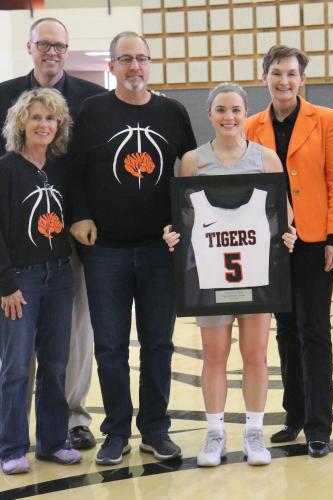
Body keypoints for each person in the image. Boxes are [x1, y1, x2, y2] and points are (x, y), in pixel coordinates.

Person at [69, 31, 196, 466]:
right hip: (105, 250)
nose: (135, 67)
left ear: (150, 63)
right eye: (126, 59)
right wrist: (79, 215)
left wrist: (189, 227)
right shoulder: (92, 112)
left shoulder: (173, 112)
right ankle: (116, 431)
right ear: (113, 65)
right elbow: (73, 170)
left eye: (141, 59)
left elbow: (192, 171)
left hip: (161, 251)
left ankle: (156, 430)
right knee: (109, 346)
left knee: (159, 344)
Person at [163, 82, 296, 467]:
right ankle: (215, 433)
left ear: (245, 113)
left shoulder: (266, 158)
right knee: (214, 355)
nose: (229, 117)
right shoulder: (193, 161)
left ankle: (254, 430)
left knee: (255, 355)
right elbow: (184, 218)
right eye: (221, 110)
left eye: (236, 110)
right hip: (211, 275)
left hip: (255, 273)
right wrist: (174, 236)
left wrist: (287, 236)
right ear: (210, 115)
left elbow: (282, 212)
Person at [0, 17, 105, 450]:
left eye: (59, 45)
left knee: (71, 340)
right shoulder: (3, 95)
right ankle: (13, 434)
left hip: (68, 243)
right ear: (30, 48)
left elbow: (94, 170)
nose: (52, 51)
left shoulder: (93, 100)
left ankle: (72, 419)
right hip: (17, 250)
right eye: (44, 44)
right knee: (17, 353)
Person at [245, 46, 333, 458]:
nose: (284, 81)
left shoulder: (327, 120)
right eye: (276, 73)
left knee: (314, 331)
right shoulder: (251, 125)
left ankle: (319, 426)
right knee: (285, 332)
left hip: (313, 241)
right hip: (270, 243)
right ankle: (295, 415)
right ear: (265, 77)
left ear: (302, 78)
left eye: (291, 74)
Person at [0, 88, 83, 474]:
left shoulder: (59, 169)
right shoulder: (6, 169)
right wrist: (6, 283)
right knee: (16, 366)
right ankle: (12, 447)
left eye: (50, 119)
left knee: (54, 364)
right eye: (36, 117)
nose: (44, 124)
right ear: (21, 122)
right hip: (21, 281)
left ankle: (53, 442)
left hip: (59, 275)